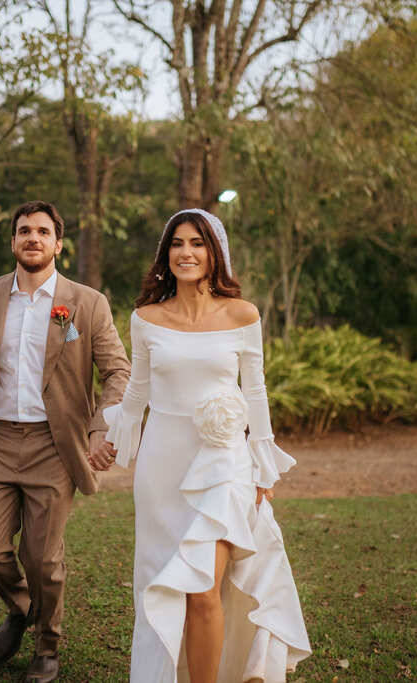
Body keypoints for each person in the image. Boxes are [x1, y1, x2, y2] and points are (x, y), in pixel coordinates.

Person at [88, 209, 311, 682]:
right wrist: (111, 440)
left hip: (224, 461)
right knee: (166, 585)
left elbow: (255, 392)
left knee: (204, 588)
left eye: (197, 243)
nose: (186, 252)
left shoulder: (242, 314)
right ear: (165, 254)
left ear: (215, 253)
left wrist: (263, 466)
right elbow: (138, 392)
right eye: (177, 243)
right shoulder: (146, 319)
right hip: (161, 469)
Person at [0, 200, 130, 683]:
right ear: (13, 242)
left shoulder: (87, 302)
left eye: (42, 232)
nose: (32, 238)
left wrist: (102, 425)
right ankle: (21, 609)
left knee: (41, 556)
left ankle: (47, 646)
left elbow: (118, 370)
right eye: (23, 231)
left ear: (58, 244)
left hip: (53, 445)